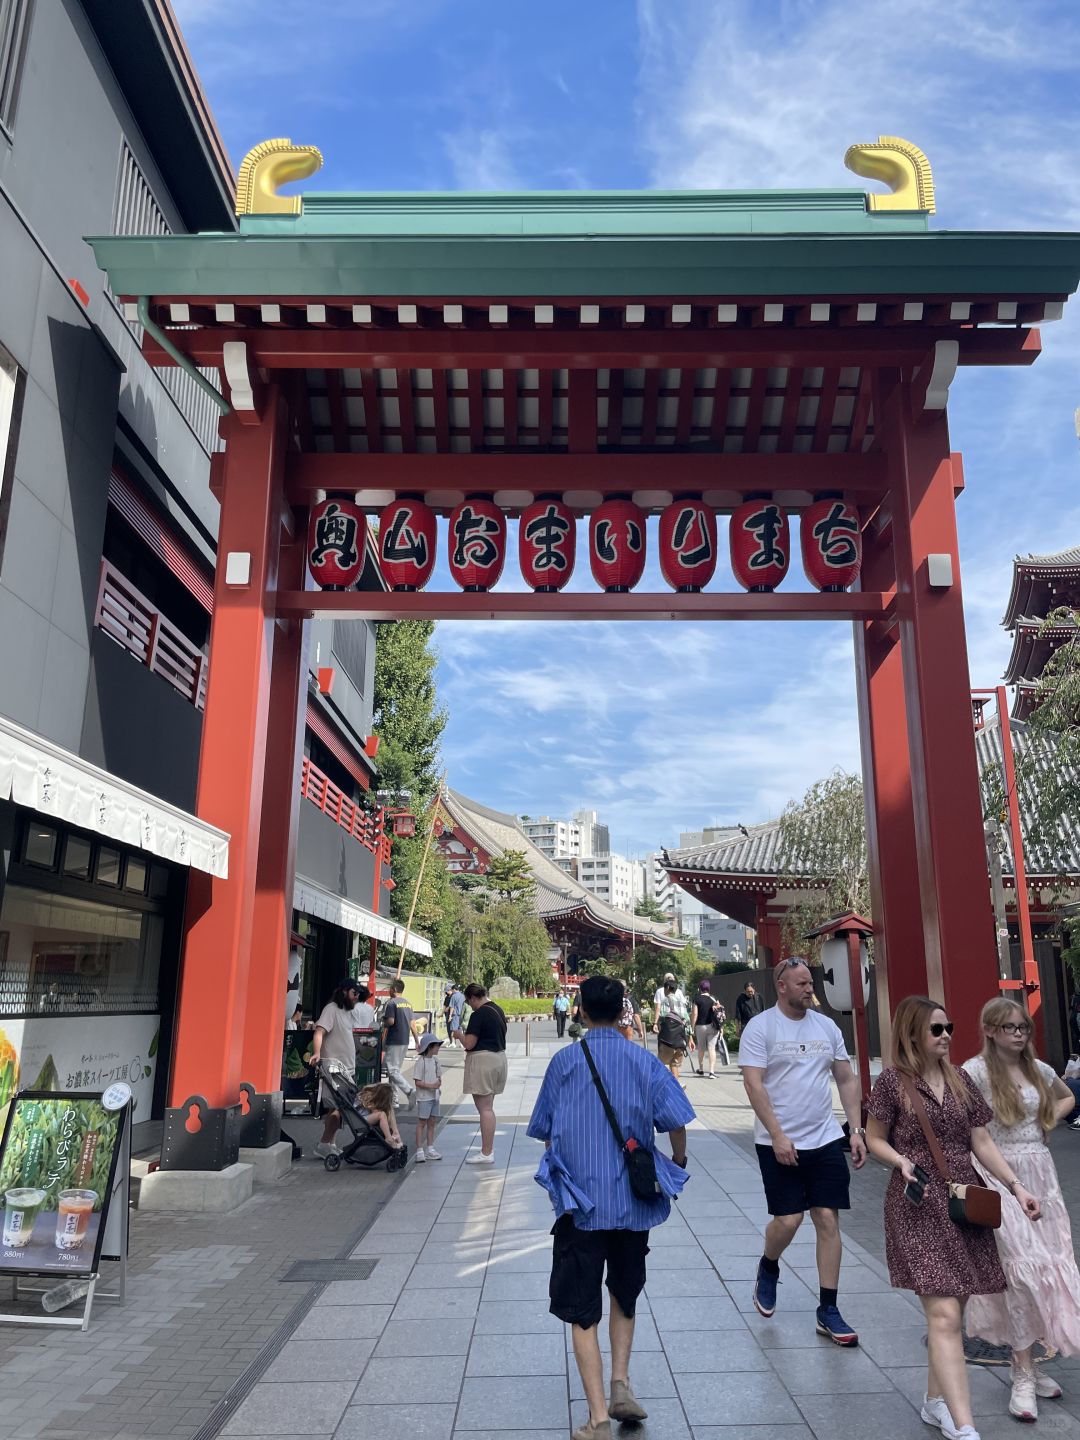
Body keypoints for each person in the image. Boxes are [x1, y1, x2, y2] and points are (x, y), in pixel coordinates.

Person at [865, 996, 1041, 1440]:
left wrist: (1015, 1187)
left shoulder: (961, 1079)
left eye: (949, 1028)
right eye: (936, 1029)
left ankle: (934, 1401)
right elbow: (873, 1138)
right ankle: (965, 1427)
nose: (946, 1037)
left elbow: (981, 1141)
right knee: (943, 1314)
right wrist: (900, 1161)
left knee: (952, 1311)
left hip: (964, 1201)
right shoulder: (891, 1083)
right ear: (912, 1035)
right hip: (917, 1200)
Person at [527, 976, 695, 1440]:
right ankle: (621, 1383)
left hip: (580, 1206)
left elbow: (543, 1128)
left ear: (580, 1010)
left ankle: (599, 1416)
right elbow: (677, 1120)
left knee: (583, 1310)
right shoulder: (643, 1061)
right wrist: (676, 1161)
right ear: (623, 1010)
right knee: (624, 1291)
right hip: (632, 1204)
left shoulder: (564, 1062)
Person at [961, 997, 1080, 1421]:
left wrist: (1046, 1121)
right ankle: (1024, 1371)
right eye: (1009, 1027)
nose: (1018, 1033)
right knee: (1018, 1271)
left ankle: (1029, 1363)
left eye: (1023, 1027)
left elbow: (1066, 1096)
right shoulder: (973, 1072)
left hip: (1040, 1174)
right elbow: (968, 1131)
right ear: (990, 1029)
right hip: (997, 1174)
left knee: (1049, 1264)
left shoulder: (1038, 1068)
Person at [740, 958, 866, 1345]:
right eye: (801, 984)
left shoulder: (826, 1026)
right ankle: (769, 1263)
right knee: (789, 1221)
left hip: (825, 1138)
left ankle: (828, 1308)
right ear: (781, 986)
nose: (809, 989)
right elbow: (754, 1084)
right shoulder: (761, 1028)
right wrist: (777, 1134)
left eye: (811, 982)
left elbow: (845, 1076)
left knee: (827, 1218)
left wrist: (856, 1129)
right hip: (777, 1142)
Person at [308, 979, 365, 1158]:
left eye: (358, 994)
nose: (357, 997)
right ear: (343, 992)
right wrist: (317, 1053)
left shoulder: (348, 1012)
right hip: (334, 1068)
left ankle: (330, 1143)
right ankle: (324, 1143)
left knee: (339, 1108)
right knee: (336, 1108)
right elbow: (319, 1031)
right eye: (354, 993)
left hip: (346, 1069)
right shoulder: (331, 1009)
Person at [453, 982, 507, 1165]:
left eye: (469, 1002)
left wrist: (459, 1035)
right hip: (499, 1058)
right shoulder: (497, 1010)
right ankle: (487, 1150)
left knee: (484, 1109)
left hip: (484, 1060)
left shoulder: (479, 1014)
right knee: (488, 1107)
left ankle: (486, 1152)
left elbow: (469, 1043)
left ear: (473, 998)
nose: (470, 1006)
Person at [381, 979, 418, 1110]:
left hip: (394, 1039)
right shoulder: (408, 1004)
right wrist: (417, 1041)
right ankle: (394, 1100)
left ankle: (409, 1091)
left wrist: (383, 1020)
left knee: (392, 1070)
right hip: (404, 1041)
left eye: (390, 988)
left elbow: (390, 1021)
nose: (389, 991)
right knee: (395, 1071)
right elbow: (413, 1024)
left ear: (395, 990)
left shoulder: (391, 1003)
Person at [653, 979, 693, 1082]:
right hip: (680, 1040)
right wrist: (690, 1039)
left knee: (661, 1065)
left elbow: (662, 1019)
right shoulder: (681, 1003)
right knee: (674, 1064)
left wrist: (656, 1026)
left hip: (668, 1040)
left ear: (667, 988)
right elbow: (687, 1022)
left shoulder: (665, 1001)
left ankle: (662, 1088)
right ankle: (677, 1088)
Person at [413, 1031, 444, 1163]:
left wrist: (437, 1084)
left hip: (434, 1097)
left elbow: (439, 1078)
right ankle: (420, 1150)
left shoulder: (436, 1061)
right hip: (424, 1097)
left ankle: (430, 1148)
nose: (438, 1047)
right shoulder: (420, 1062)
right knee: (422, 1122)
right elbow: (417, 1081)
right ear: (430, 1046)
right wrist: (432, 1086)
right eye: (437, 1045)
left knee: (432, 1122)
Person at [690, 979, 727, 1076]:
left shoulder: (696, 999)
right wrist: (721, 1027)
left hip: (700, 1026)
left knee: (701, 1048)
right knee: (711, 1048)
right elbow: (719, 1013)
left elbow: (694, 1014)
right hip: (713, 1026)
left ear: (700, 989)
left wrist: (692, 1027)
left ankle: (701, 1069)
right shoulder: (714, 998)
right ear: (709, 988)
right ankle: (711, 1072)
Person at [358, 1081, 404, 1150]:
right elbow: (376, 1111)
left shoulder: (376, 1093)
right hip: (360, 1119)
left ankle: (395, 1133)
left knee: (389, 1108)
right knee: (381, 1114)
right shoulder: (370, 1098)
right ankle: (389, 1139)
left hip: (366, 1116)